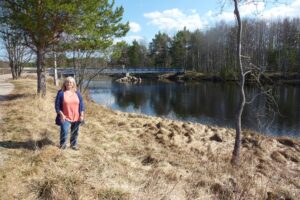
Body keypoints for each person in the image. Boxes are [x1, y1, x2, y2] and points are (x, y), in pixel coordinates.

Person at [55, 76, 85, 150]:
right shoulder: (61, 93)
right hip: (65, 117)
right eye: (67, 82)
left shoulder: (77, 93)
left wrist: (82, 115)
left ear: (73, 84)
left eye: (71, 82)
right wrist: (61, 114)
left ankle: (73, 145)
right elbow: (57, 105)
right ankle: (63, 145)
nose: (69, 83)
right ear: (64, 83)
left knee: (75, 132)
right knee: (64, 131)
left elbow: (81, 104)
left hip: (76, 116)